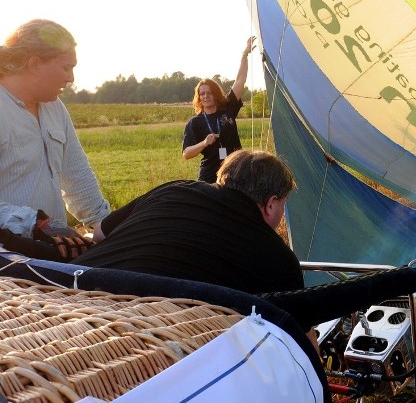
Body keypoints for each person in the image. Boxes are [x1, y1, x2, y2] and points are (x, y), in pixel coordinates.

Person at [71, 149, 304, 294]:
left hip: (63, 291)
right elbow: (302, 341)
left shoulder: (174, 187)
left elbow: (100, 233)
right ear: (271, 203)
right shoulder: (278, 260)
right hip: (129, 326)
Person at [0, 19, 110, 245]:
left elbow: (77, 176)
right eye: (66, 68)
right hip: (8, 260)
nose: (71, 78)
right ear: (34, 64)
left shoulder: (55, 108)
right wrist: (36, 224)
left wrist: (107, 226)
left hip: (51, 253)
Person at [182, 36, 255, 183]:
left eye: (209, 92)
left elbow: (240, 80)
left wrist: (244, 54)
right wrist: (204, 143)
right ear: (199, 97)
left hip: (235, 171)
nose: (206, 96)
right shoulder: (195, 123)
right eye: (202, 93)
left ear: (215, 94)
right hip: (209, 176)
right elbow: (187, 153)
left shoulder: (227, 109)